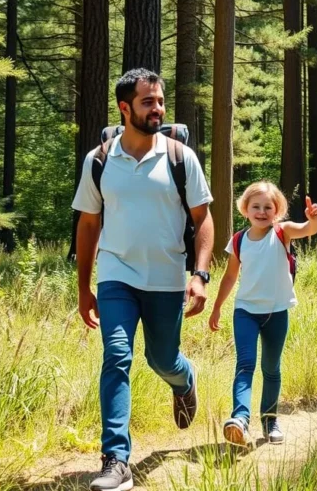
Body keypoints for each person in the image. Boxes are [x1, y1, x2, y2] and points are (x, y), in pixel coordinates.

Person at [72, 68, 215, 491]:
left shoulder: (179, 157)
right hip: (117, 274)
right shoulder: (99, 160)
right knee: (117, 355)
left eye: (160, 101)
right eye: (148, 101)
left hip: (167, 278)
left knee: (162, 359)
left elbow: (202, 220)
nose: (158, 109)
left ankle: (184, 381)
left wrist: (200, 274)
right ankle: (116, 459)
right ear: (124, 107)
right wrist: (85, 287)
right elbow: (88, 225)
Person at [209, 182, 317, 447]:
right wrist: (216, 307)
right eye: (256, 206)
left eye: (268, 207)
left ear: (277, 211)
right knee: (245, 365)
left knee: (271, 369)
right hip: (245, 311)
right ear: (245, 209)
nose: (261, 212)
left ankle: (270, 420)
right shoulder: (238, 240)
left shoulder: (282, 232)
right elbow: (229, 277)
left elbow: (308, 229)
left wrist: (314, 219)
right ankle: (240, 419)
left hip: (276, 312)